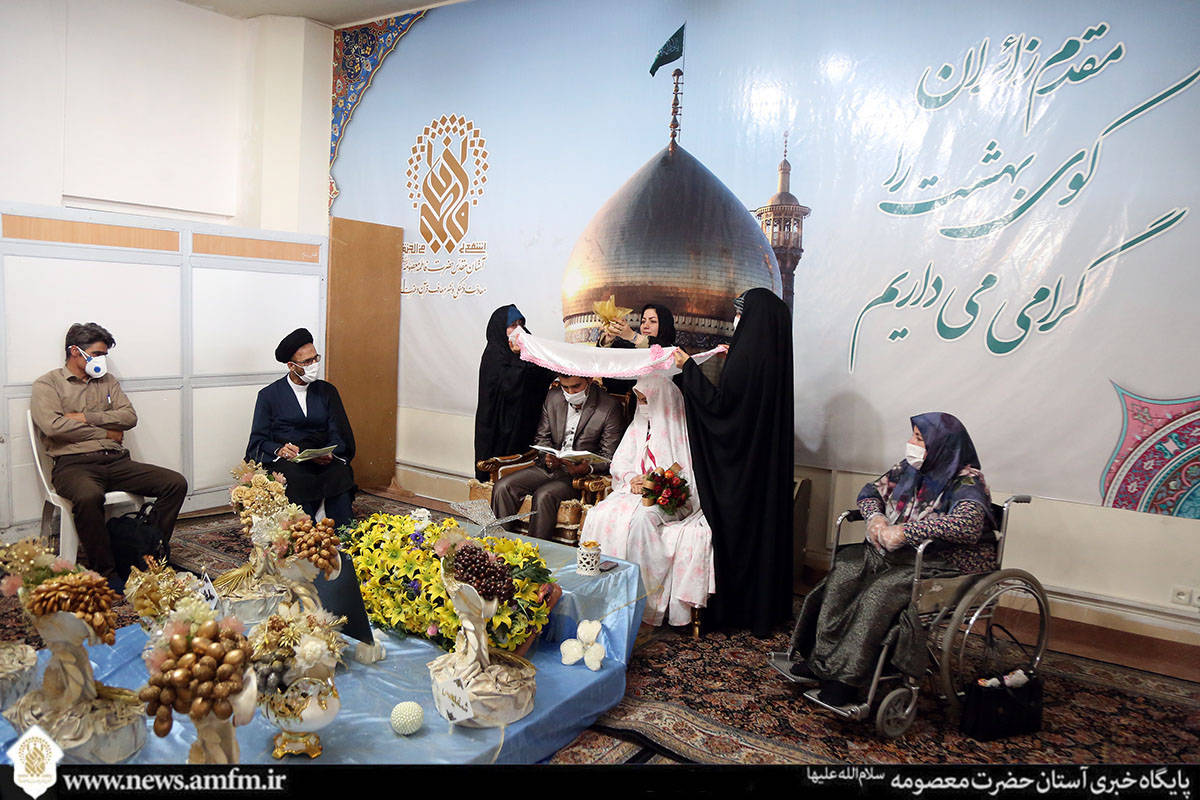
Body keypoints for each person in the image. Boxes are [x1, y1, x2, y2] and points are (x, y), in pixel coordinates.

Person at [789, 413, 996, 707]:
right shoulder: (908, 469)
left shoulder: (966, 480)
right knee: (844, 574)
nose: (911, 443)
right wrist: (876, 518)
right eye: (913, 435)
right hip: (898, 555)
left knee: (879, 594)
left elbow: (967, 525)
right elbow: (871, 491)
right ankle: (822, 662)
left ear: (941, 445)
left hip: (941, 562)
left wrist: (907, 531)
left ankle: (846, 679)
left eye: (919, 438)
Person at [673, 287, 794, 638]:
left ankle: (736, 608)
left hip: (741, 472)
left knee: (737, 534)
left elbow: (722, 410)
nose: (736, 319)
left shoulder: (747, 356)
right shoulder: (773, 356)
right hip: (762, 470)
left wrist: (687, 369)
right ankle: (762, 609)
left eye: (741, 312)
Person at [31, 323, 188, 589]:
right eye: (96, 354)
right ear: (75, 351)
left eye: (104, 354)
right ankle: (106, 571)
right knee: (88, 496)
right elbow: (53, 427)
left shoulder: (108, 381)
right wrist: (107, 431)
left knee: (175, 483)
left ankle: (144, 551)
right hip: (73, 465)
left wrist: (84, 418)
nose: (101, 360)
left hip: (115, 461)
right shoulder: (48, 384)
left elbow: (128, 417)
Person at [245, 327, 372, 642]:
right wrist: (280, 449)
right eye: (307, 361)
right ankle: (303, 549)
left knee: (340, 474)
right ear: (291, 366)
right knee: (297, 477)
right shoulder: (269, 396)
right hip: (291, 462)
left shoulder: (327, 392)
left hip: (324, 458)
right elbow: (257, 442)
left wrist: (331, 453)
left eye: (316, 358)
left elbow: (340, 433)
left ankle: (343, 543)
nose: (314, 364)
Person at [581, 373, 714, 626]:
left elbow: (685, 474)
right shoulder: (637, 426)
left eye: (645, 400)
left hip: (670, 497)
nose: (641, 406)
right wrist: (632, 478)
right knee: (601, 513)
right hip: (633, 493)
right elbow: (620, 463)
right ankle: (606, 593)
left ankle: (644, 596)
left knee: (642, 520)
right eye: (639, 400)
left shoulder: (680, 428)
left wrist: (658, 483)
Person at [491, 373, 624, 540]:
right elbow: (542, 438)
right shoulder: (553, 397)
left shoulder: (609, 406)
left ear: (589, 380)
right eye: (565, 387)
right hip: (550, 467)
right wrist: (547, 457)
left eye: (576, 386)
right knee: (503, 487)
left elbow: (609, 456)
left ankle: (535, 552)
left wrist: (587, 468)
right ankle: (496, 545)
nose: (570, 392)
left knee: (544, 495)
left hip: (578, 476)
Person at [474, 305, 554, 481]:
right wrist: (522, 358)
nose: (518, 329)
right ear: (500, 328)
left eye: (520, 324)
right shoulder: (494, 355)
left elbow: (543, 373)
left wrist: (527, 354)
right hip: (498, 428)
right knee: (495, 477)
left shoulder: (529, 352)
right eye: (512, 325)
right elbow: (510, 386)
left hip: (525, 426)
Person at [597, 303, 676, 396]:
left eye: (653, 321)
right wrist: (608, 339)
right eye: (643, 321)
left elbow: (661, 350)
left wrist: (632, 336)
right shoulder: (633, 350)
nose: (645, 326)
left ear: (664, 325)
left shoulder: (675, 351)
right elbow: (608, 371)